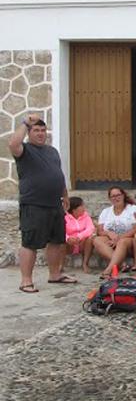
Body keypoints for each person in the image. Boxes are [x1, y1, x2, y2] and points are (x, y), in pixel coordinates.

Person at [10, 114, 73, 292]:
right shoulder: (24, 150)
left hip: (54, 203)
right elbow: (13, 144)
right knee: (30, 242)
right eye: (36, 130)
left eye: (43, 130)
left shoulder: (52, 151)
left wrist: (65, 195)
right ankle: (26, 281)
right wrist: (25, 123)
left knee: (56, 241)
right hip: (33, 204)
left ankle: (55, 275)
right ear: (29, 133)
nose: (40, 133)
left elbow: (58, 174)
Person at [93, 187, 136, 279]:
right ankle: (122, 264)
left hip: (128, 238)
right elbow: (100, 231)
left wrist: (119, 238)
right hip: (111, 238)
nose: (116, 198)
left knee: (121, 242)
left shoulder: (132, 209)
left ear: (123, 195)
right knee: (97, 240)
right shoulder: (106, 211)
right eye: (113, 196)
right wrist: (108, 233)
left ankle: (108, 270)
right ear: (110, 199)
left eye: (118, 195)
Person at [65, 197, 95, 274]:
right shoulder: (64, 217)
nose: (84, 207)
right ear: (74, 209)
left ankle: (85, 264)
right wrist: (68, 238)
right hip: (69, 244)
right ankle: (60, 266)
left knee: (90, 239)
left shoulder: (86, 216)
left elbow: (91, 228)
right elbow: (60, 231)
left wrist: (79, 236)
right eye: (81, 205)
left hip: (82, 242)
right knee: (61, 241)